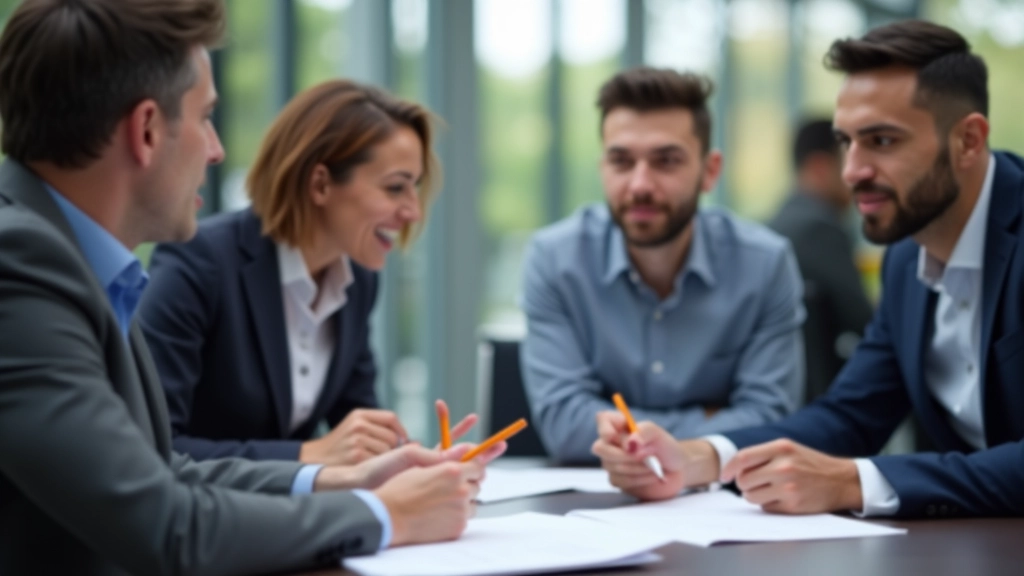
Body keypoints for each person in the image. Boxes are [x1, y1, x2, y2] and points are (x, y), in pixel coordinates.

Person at [0, 1, 502, 574]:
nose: (216, 150)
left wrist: (343, 479)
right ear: (144, 130)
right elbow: (166, 524)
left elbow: (159, 467)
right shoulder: (21, 263)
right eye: (205, 117)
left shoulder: (80, 260)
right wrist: (385, 515)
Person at [594, 20, 1024, 519]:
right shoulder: (906, 259)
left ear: (969, 141)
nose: (852, 171)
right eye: (846, 142)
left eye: (882, 141)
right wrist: (696, 458)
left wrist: (854, 481)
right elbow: (850, 416)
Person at [139, 79, 437, 465]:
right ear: (320, 184)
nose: (414, 211)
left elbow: (360, 428)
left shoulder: (357, 280)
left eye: (415, 187)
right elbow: (155, 447)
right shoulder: (200, 262)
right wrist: (306, 454)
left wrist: (414, 459)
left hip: (293, 521)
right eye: (396, 187)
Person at [521, 67, 806, 462]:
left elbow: (769, 421)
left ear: (710, 171)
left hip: (721, 509)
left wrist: (627, 429)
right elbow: (565, 427)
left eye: (666, 161)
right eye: (621, 161)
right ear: (602, 167)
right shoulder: (553, 259)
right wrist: (712, 422)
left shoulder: (765, 263)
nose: (639, 184)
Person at [769, 118, 874, 400]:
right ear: (819, 167)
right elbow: (867, 324)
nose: (860, 175)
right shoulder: (818, 230)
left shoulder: (776, 225)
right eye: (850, 161)